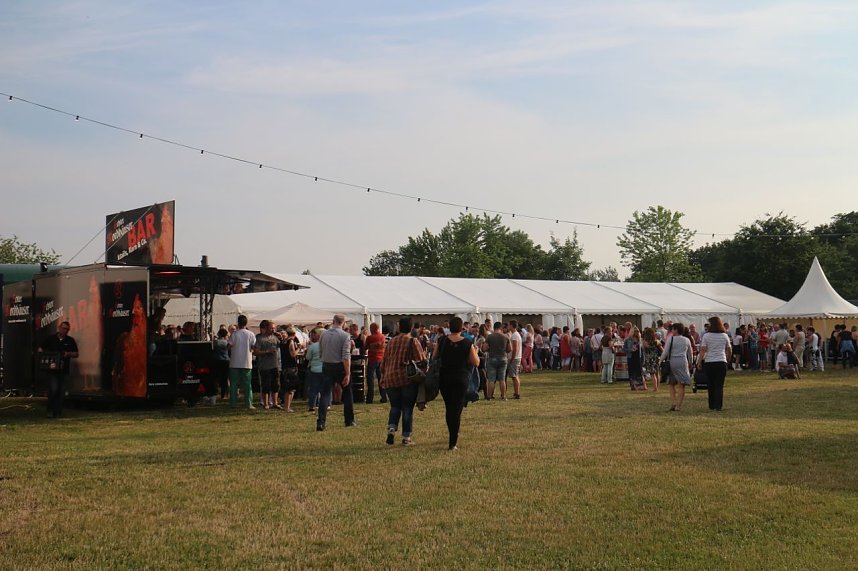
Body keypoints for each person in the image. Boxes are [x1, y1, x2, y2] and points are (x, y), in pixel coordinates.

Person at [436, 317, 481, 451]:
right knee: (457, 408)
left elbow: (434, 357)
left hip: (445, 377)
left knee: (449, 408)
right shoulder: (467, 343)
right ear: (461, 328)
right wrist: (476, 351)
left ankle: (453, 432)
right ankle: (453, 441)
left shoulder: (442, 340)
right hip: (460, 378)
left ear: (449, 327)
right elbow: (476, 362)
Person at [380, 317, 425, 445]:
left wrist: (383, 376)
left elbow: (384, 362)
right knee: (407, 408)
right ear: (411, 328)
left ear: (399, 327)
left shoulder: (391, 341)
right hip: (406, 379)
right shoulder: (412, 341)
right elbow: (421, 359)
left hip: (390, 378)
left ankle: (391, 428)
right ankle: (406, 437)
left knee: (395, 406)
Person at [317, 314, 354, 431]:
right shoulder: (345, 336)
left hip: (327, 365)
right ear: (343, 323)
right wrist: (348, 373)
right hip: (339, 366)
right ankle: (349, 420)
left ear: (333, 321)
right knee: (347, 393)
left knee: (325, 394)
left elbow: (320, 350)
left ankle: (321, 422)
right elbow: (346, 356)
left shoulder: (323, 334)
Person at [39, 321, 79, 418]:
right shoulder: (51, 339)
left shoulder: (70, 340)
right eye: (63, 328)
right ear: (59, 328)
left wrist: (68, 354)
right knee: (54, 389)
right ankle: (50, 410)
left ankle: (58, 412)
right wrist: (43, 355)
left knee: (61, 392)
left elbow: (76, 354)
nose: (65, 330)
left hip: (64, 370)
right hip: (52, 370)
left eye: (67, 329)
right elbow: (41, 348)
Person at [697, 316, 731, 412]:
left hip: (709, 362)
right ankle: (718, 405)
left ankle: (711, 405)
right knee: (719, 384)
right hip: (721, 361)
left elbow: (703, 350)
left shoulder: (706, 336)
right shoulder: (724, 335)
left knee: (711, 384)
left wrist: (699, 362)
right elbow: (729, 349)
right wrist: (727, 359)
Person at [659, 322, 693, 411]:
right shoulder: (686, 340)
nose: (672, 331)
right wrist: (691, 362)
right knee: (682, 384)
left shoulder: (671, 339)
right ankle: (678, 405)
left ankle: (674, 402)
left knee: (671, 383)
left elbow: (665, 352)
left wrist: (660, 361)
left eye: (673, 329)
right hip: (683, 361)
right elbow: (690, 353)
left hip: (672, 361)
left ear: (676, 330)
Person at [228, 315, 256, 410]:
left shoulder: (234, 334)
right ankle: (249, 404)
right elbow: (253, 346)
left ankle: (233, 403)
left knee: (234, 384)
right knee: (247, 384)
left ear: (238, 323)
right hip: (246, 362)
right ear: (246, 323)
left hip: (235, 362)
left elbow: (229, 345)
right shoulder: (251, 334)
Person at [254, 320, 280, 410]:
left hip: (275, 364)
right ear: (266, 328)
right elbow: (256, 352)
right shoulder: (260, 338)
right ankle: (265, 403)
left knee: (275, 385)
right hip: (264, 366)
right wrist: (267, 352)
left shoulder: (275, 338)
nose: (273, 330)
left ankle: (275, 403)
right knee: (266, 385)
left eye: (274, 328)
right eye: (271, 328)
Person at [485, 322, 511, 400]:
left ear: (494, 327)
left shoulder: (489, 337)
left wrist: (489, 349)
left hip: (492, 358)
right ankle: (503, 396)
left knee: (491, 379)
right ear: (501, 328)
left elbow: (484, 348)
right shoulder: (506, 337)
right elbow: (509, 349)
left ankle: (489, 396)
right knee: (502, 379)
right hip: (503, 358)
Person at [278, 327, 301, 412]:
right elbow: (293, 354)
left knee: (288, 387)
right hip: (291, 366)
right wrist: (299, 348)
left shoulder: (283, 341)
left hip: (284, 365)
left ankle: (287, 405)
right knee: (290, 388)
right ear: (294, 334)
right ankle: (287, 407)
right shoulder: (290, 341)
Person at [365, 322, 386, 404]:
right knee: (381, 378)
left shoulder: (370, 337)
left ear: (372, 329)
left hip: (372, 359)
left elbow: (365, 346)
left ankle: (370, 398)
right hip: (381, 359)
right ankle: (383, 397)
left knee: (370, 379)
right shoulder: (382, 336)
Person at [304, 330, 323, 412]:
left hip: (314, 369)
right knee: (324, 389)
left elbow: (308, 357)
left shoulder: (312, 346)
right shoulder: (326, 346)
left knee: (313, 389)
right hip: (324, 369)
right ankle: (326, 404)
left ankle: (312, 406)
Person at [625, 326, 646, 391]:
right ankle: (633, 386)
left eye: (638, 331)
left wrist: (643, 358)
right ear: (632, 332)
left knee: (639, 372)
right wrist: (630, 349)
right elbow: (624, 349)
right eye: (635, 331)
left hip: (638, 357)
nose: (636, 333)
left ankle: (640, 386)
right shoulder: (627, 340)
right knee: (632, 372)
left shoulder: (640, 339)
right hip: (631, 357)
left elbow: (642, 350)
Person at [212, 328, 230, 402]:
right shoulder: (227, 342)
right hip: (225, 361)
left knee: (216, 378)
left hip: (217, 360)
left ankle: (215, 393)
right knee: (224, 378)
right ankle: (224, 394)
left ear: (219, 334)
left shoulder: (215, 342)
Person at [642, 327, 662, 391]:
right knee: (657, 373)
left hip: (649, 359)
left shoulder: (645, 342)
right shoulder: (657, 341)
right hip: (656, 358)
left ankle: (655, 388)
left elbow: (644, 348)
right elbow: (662, 349)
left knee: (652, 374)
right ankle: (657, 387)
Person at [507, 319, 523, 399]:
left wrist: (512, 358)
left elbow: (515, 348)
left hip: (515, 358)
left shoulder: (514, 335)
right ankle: (516, 392)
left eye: (509, 325)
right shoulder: (515, 334)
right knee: (514, 376)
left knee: (514, 376)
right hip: (516, 357)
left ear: (512, 326)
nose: (508, 326)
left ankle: (517, 393)